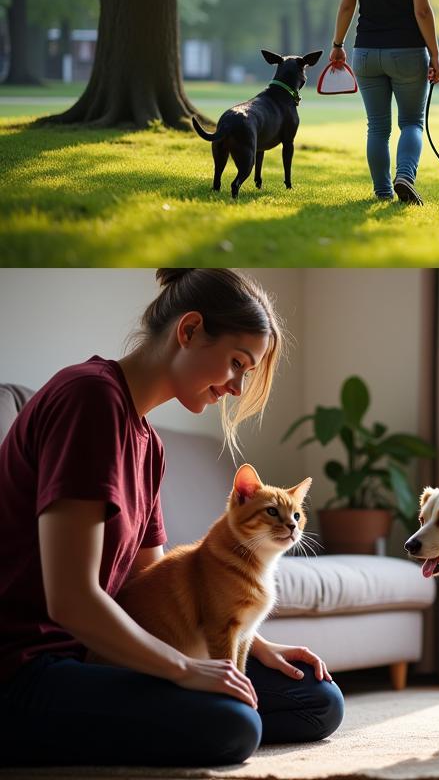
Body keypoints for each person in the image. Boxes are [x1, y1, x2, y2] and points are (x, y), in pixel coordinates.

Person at [0, 269, 344, 767]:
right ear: (189, 331)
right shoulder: (88, 400)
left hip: (98, 657)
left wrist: (254, 641)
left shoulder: (149, 445)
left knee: (317, 699)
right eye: (236, 363)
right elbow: (71, 601)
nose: (236, 386)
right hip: (29, 667)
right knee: (233, 724)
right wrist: (184, 669)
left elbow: (149, 581)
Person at [330, 0, 439, 206]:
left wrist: (337, 44)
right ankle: (404, 175)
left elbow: (346, 7)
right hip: (407, 52)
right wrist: (434, 54)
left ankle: (382, 191)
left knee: (377, 127)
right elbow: (422, 10)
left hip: (366, 52)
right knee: (410, 122)